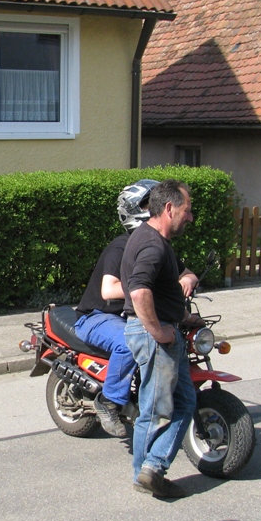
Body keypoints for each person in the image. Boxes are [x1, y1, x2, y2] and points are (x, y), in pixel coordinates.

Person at [121, 179, 199, 499]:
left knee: (184, 401)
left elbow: (168, 284)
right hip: (155, 335)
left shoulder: (152, 239)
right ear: (169, 208)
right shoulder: (153, 244)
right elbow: (139, 291)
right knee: (156, 409)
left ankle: (150, 469)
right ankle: (148, 470)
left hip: (164, 331)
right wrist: (158, 331)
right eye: (187, 210)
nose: (190, 217)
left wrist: (183, 314)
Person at [73, 179, 158, 437]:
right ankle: (108, 401)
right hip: (97, 316)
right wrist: (147, 286)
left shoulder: (156, 245)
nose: (157, 208)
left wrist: (187, 278)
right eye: (150, 203)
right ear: (134, 209)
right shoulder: (121, 247)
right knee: (129, 342)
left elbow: (183, 274)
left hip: (129, 315)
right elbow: (108, 290)